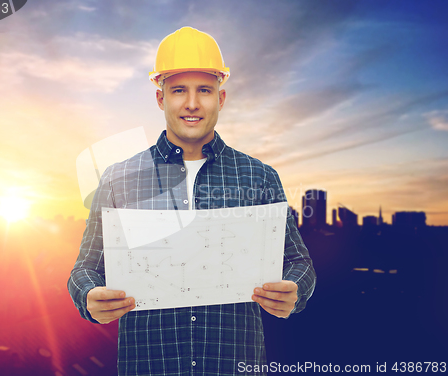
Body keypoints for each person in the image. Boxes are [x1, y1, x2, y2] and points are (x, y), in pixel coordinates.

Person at [68, 26, 316, 375]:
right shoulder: (118, 178)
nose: (192, 103)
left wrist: (295, 290)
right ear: (160, 99)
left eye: (204, 90)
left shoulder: (260, 177)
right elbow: (85, 269)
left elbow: (299, 261)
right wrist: (89, 297)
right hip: (150, 367)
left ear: (221, 98)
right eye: (178, 90)